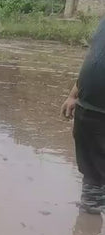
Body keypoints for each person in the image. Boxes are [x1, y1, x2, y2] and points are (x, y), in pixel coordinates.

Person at [61, 19, 105, 214]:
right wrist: (73, 95)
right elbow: (93, 59)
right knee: (90, 174)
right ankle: (88, 223)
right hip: (88, 112)